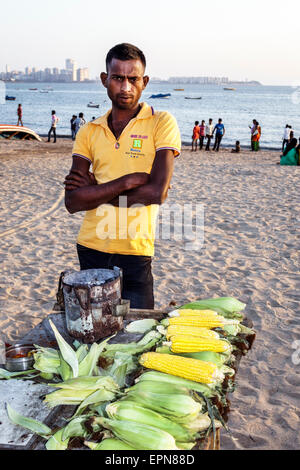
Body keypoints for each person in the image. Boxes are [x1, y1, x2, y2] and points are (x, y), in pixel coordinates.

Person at [64, 43, 181, 309]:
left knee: (136, 334)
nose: (125, 87)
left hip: (135, 250)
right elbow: (72, 202)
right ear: (105, 80)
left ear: (145, 82)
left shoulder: (161, 122)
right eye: (118, 78)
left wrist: (96, 192)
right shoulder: (89, 131)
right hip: (91, 246)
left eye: (133, 79)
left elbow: (156, 193)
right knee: (94, 332)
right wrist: (125, 182)